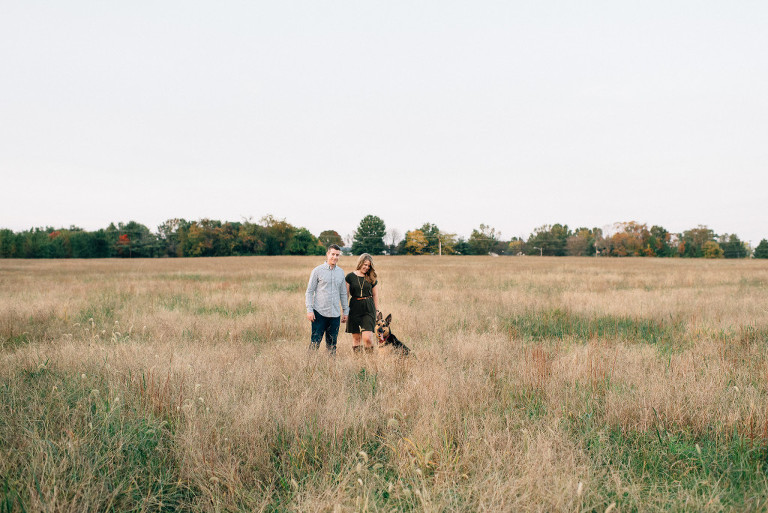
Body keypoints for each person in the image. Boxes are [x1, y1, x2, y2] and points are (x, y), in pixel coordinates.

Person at [305, 244, 348, 355]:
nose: (335, 257)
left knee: (332, 345)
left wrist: (345, 311)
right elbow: (309, 291)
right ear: (328, 254)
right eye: (333, 254)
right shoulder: (317, 271)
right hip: (319, 313)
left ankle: (331, 365)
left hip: (335, 315)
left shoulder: (341, 272)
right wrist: (309, 310)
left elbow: (343, 293)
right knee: (315, 343)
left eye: (337, 255)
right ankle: (309, 364)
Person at [345, 253, 380, 354]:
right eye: (365, 265)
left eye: (369, 266)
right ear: (360, 263)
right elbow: (346, 295)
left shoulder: (371, 277)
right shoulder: (350, 277)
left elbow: (375, 295)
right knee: (356, 338)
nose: (367, 267)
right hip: (354, 307)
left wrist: (377, 310)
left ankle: (370, 360)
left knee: (367, 338)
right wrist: (345, 311)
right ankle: (359, 361)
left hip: (368, 307)